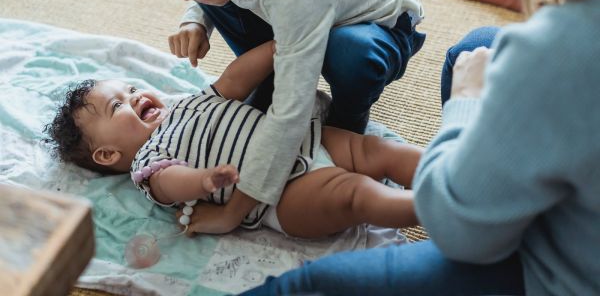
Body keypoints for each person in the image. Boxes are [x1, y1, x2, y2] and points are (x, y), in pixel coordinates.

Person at [238, 0, 600, 294]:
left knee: (308, 281)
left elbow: (457, 236)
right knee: (475, 48)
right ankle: (474, 182)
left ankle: (463, 190)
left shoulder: (559, 47)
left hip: (562, 274)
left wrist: (464, 103)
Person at [114, 0, 426, 216]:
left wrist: (235, 210)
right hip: (298, 13)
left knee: (348, 54)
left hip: (380, 29)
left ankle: (348, 120)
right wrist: (195, 19)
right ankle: (269, 76)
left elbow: (293, 107)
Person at [45, 40, 422, 238]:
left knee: (376, 150)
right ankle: (435, 205)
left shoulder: (184, 104)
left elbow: (232, 82)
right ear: (109, 154)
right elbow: (169, 183)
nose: (135, 96)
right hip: (284, 193)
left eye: (129, 88)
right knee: (356, 193)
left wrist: (274, 49)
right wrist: (203, 180)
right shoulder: (148, 160)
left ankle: (451, 169)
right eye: (118, 106)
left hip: (305, 139)